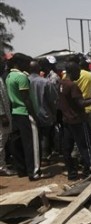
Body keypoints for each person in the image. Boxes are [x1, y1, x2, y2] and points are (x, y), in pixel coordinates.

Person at [6, 53, 48, 181]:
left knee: (17, 143)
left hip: (15, 112)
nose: (28, 66)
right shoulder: (21, 77)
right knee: (32, 144)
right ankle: (34, 172)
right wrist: (34, 116)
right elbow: (26, 99)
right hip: (25, 113)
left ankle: (22, 169)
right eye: (26, 64)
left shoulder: (9, 76)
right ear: (18, 64)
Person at [59, 61, 91, 181]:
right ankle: (89, 172)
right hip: (78, 121)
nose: (79, 74)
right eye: (77, 72)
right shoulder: (72, 85)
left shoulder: (61, 83)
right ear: (72, 72)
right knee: (86, 147)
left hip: (67, 120)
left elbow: (73, 101)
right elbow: (81, 103)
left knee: (67, 148)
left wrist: (90, 98)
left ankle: (72, 173)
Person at [28, 60, 57, 163]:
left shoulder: (26, 80)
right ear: (38, 69)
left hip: (30, 114)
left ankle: (37, 157)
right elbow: (53, 100)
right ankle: (45, 156)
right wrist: (54, 113)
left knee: (34, 136)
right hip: (45, 113)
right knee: (45, 136)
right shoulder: (45, 82)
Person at [0, 57, 15, 176]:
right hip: (2, 117)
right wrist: (3, 115)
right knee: (1, 142)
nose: (4, 66)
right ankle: (1, 167)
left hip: (4, 115)